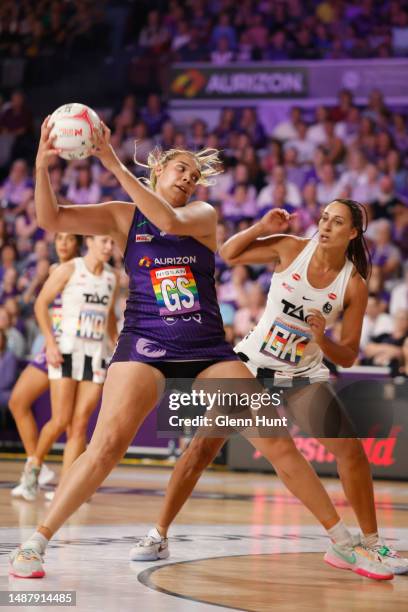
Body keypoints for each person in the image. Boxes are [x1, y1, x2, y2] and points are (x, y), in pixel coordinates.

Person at [9, 122, 391, 581]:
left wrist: (110, 160)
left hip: (208, 348)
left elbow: (168, 221)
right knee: (107, 446)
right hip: (146, 343)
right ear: (157, 173)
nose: (189, 178)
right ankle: (36, 543)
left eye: (194, 173)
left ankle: (344, 544)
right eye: (180, 169)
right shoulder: (120, 216)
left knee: (276, 442)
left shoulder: (202, 214)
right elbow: (51, 219)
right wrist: (40, 167)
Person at [130, 200, 408, 577]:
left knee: (353, 453)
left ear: (353, 233)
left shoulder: (353, 284)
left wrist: (322, 340)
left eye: (337, 222)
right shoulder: (292, 247)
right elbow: (228, 253)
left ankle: (372, 544)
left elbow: (347, 355)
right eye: (324, 217)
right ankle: (158, 533)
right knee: (200, 450)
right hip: (250, 367)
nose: (325, 225)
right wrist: (261, 225)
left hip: (300, 374)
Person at [16, 234, 119, 502]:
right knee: (61, 420)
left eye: (111, 243)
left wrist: (116, 342)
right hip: (65, 351)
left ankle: (66, 488)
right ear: (90, 241)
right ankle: (34, 466)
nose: (109, 247)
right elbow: (40, 304)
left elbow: (109, 315)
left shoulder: (112, 277)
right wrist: (49, 342)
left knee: (80, 423)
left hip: (95, 354)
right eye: (104, 241)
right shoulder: (69, 269)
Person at [9, 233, 82, 500]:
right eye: (59, 238)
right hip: (51, 345)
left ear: (78, 244)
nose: (62, 243)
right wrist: (48, 340)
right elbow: (47, 308)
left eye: (69, 239)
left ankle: (70, 484)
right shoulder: (54, 269)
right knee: (18, 401)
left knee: (71, 421)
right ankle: (35, 463)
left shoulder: (83, 269)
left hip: (73, 349)